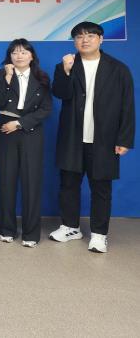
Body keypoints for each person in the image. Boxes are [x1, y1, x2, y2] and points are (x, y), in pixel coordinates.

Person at [49, 21, 134, 253]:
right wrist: (66, 71)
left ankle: (99, 234)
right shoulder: (66, 65)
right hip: (72, 138)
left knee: (101, 188)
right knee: (68, 185)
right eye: (79, 36)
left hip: (104, 139)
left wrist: (124, 139)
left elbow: (127, 105)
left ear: (100, 39)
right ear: (74, 41)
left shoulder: (118, 69)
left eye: (90, 35)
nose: (84, 40)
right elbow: (60, 93)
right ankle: (70, 227)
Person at [0, 39, 52, 248]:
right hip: (5, 130)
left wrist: (19, 123)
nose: (19, 56)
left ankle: (31, 233)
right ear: (9, 56)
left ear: (31, 56)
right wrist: (8, 78)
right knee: (6, 180)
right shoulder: (0, 75)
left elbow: (46, 109)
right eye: (15, 52)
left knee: (31, 182)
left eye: (24, 52)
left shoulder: (42, 77)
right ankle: (6, 229)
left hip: (30, 131)